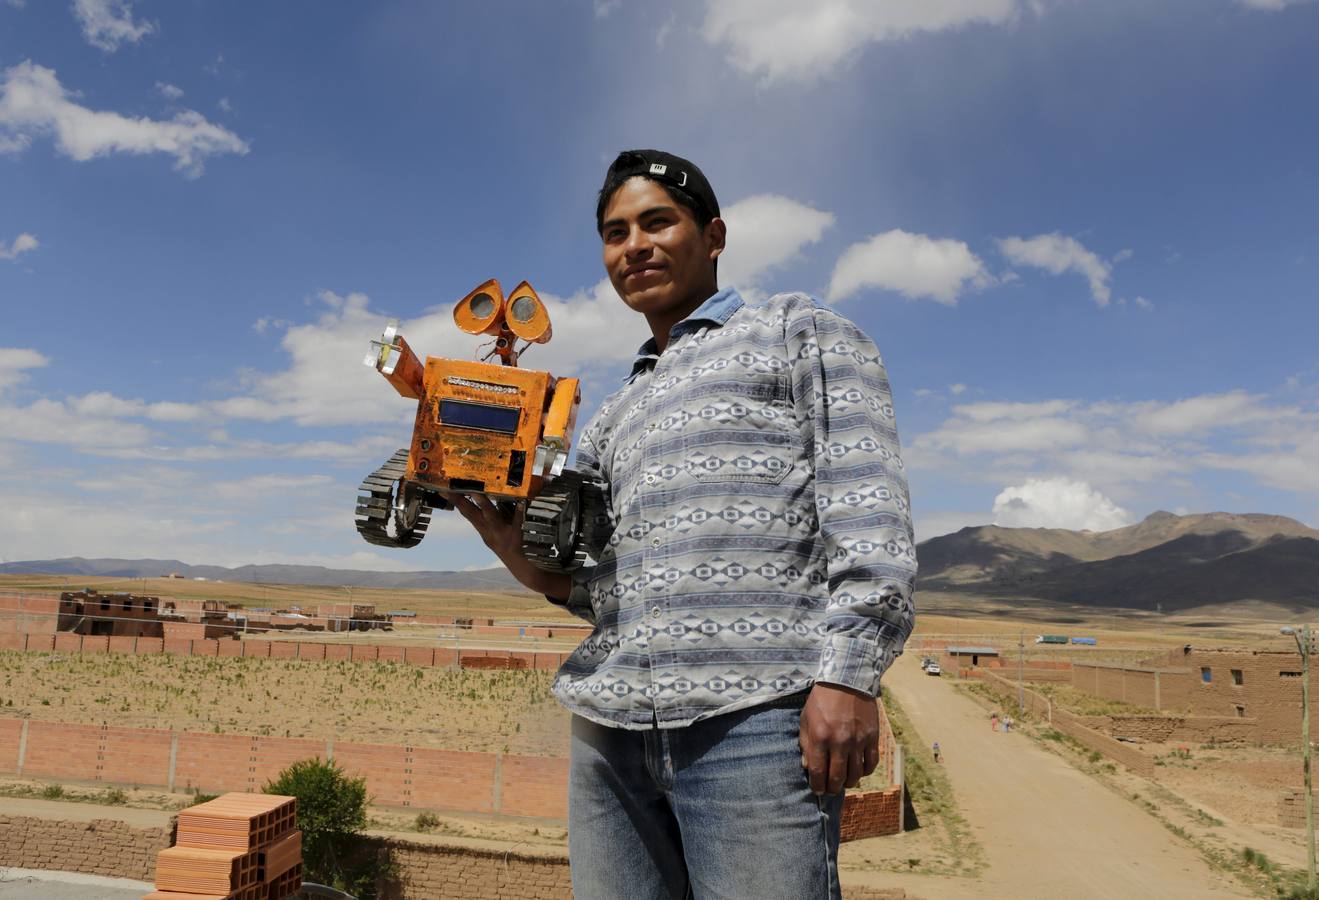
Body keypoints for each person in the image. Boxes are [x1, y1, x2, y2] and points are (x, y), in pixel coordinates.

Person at [451, 149, 917, 900]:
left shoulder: (796, 331)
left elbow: (868, 512)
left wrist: (848, 677)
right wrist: (528, 564)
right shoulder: (612, 414)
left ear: (713, 235)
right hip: (610, 730)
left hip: (755, 723)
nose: (632, 245)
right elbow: (602, 582)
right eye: (613, 232)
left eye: (656, 222)